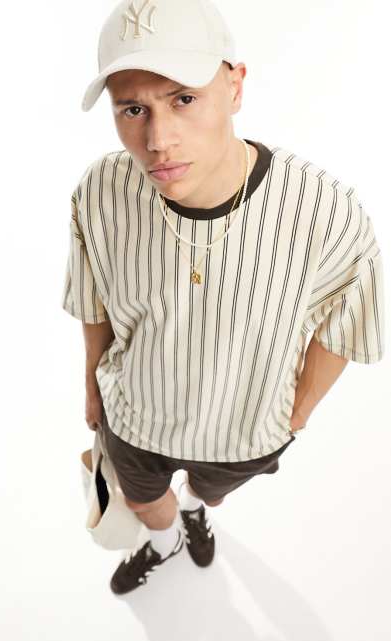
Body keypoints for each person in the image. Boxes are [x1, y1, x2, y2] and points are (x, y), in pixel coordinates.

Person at [61, 0, 385, 595]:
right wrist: (91, 386)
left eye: (184, 98)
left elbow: (347, 322)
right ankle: (165, 541)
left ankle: (194, 512)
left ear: (234, 87)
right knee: (142, 497)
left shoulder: (325, 212)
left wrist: (297, 414)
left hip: (244, 431)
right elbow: (95, 298)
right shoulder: (101, 190)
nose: (158, 140)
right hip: (135, 415)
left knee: (207, 494)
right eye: (133, 109)